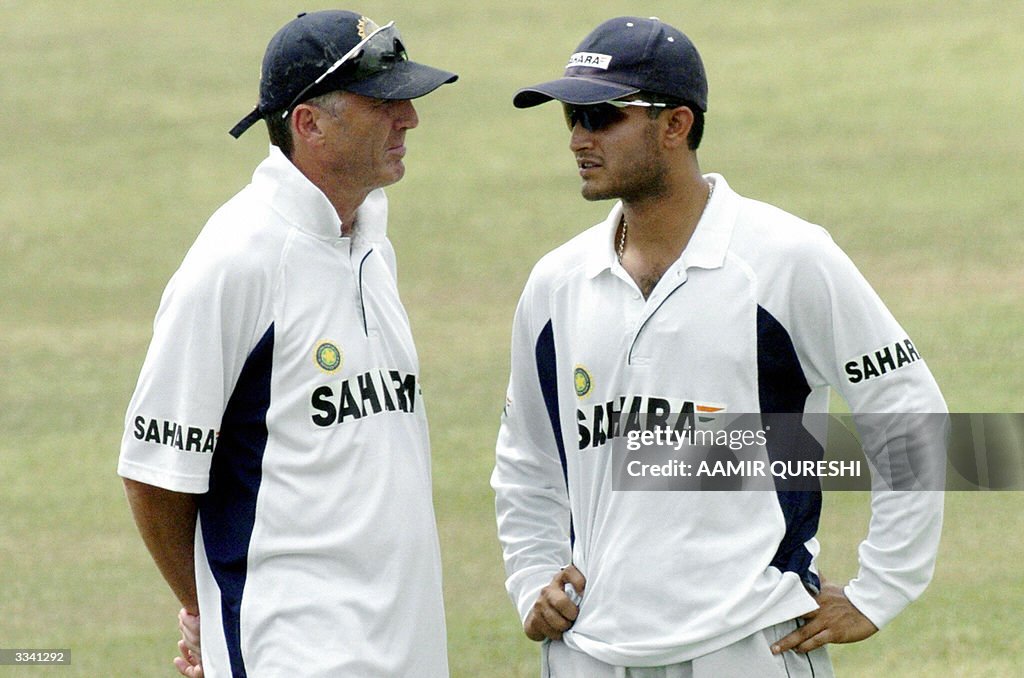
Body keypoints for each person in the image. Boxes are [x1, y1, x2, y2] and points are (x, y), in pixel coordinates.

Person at [491, 16, 947, 677]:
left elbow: (910, 412)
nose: (579, 139)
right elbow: (526, 459)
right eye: (571, 118)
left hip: (746, 647)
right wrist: (533, 575)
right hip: (590, 653)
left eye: (601, 115)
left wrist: (882, 590)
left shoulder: (788, 260)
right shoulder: (554, 285)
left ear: (676, 125)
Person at [118, 10, 457, 677]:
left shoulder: (368, 240)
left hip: (408, 645)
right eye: (384, 102)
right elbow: (155, 472)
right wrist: (206, 614)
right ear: (309, 124)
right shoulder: (236, 261)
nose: (409, 118)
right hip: (294, 653)